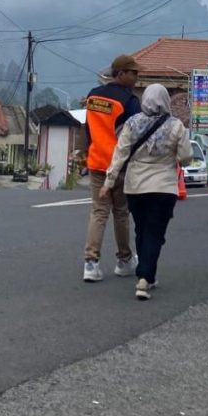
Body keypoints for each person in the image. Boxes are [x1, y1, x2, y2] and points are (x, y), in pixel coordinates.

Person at [100, 84, 191, 300]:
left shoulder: (132, 123)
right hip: (163, 188)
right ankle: (144, 277)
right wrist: (173, 158)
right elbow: (186, 157)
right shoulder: (176, 126)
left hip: (135, 187)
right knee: (155, 233)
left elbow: (120, 154)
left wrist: (108, 182)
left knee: (142, 230)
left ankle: (146, 273)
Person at [82, 54, 142, 282]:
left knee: (99, 211)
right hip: (120, 165)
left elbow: (88, 129)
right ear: (120, 74)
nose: (136, 77)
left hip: (96, 161)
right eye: (133, 73)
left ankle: (91, 263)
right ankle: (124, 261)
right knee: (121, 213)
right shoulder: (130, 101)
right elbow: (135, 135)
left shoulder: (93, 95)